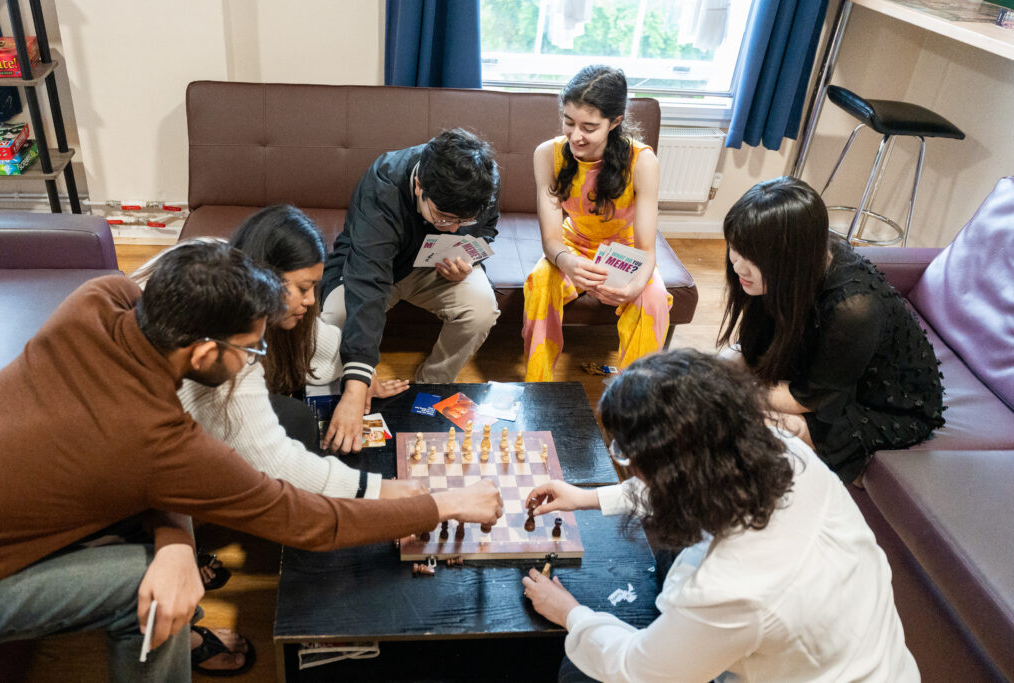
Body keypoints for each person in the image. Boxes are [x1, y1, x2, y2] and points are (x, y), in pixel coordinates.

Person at [0, 241, 503, 681]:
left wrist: (175, 539)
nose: (254, 358)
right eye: (249, 349)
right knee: (144, 583)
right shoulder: (158, 441)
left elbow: (139, 474)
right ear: (201, 355)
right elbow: (309, 522)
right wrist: (441, 504)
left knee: (169, 553)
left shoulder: (101, 297)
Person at [522, 349, 919, 682]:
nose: (623, 462)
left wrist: (571, 613)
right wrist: (588, 498)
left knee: (576, 671)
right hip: (873, 659)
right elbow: (692, 474)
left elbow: (637, 669)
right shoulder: (784, 452)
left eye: (625, 454)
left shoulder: (730, 590)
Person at [171, 205, 422, 502]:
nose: (311, 300)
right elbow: (280, 463)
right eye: (304, 288)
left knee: (298, 417)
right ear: (266, 277)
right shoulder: (230, 351)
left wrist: (360, 380)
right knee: (296, 436)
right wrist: (384, 491)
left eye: (315, 287)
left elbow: (327, 341)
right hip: (183, 454)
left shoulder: (233, 270)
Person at [718, 176, 944, 483]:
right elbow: (751, 349)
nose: (737, 265)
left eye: (751, 257)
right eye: (735, 247)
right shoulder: (792, 271)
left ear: (789, 259)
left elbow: (805, 399)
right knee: (720, 368)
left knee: (769, 423)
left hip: (881, 403)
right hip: (830, 371)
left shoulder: (855, 309)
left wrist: (725, 388)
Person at [319, 128, 501, 454]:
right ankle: (351, 381)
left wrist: (468, 255)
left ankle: (433, 383)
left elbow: (486, 230)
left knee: (482, 307)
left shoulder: (483, 181)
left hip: (437, 269)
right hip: (374, 269)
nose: (456, 227)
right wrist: (356, 385)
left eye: (464, 220)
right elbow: (368, 284)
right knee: (333, 315)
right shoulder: (383, 186)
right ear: (419, 187)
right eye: (445, 218)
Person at [523, 64, 671, 382]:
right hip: (572, 244)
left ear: (614, 122)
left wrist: (633, 286)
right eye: (569, 122)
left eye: (589, 127)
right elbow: (551, 239)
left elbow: (647, 249)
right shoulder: (547, 155)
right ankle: (538, 386)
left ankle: (635, 399)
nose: (576, 136)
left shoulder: (642, 161)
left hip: (626, 249)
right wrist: (568, 261)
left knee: (653, 298)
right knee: (540, 281)